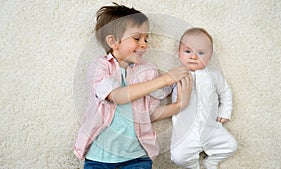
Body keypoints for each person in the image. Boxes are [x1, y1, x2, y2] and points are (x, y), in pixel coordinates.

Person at [73, 3, 192, 169]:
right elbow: (117, 96)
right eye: (137, 38)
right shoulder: (99, 66)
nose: (144, 44)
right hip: (99, 157)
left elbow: (150, 113)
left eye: (146, 39)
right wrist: (165, 79)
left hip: (137, 157)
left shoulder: (148, 70)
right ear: (113, 41)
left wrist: (180, 104)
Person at [170, 27, 238, 169]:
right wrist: (163, 83)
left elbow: (225, 92)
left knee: (231, 146)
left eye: (200, 53)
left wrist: (225, 111)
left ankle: (211, 162)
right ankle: (193, 165)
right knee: (178, 157)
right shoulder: (175, 75)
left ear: (209, 56)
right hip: (185, 132)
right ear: (179, 53)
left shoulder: (213, 76)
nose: (193, 56)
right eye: (188, 51)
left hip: (210, 128)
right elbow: (160, 92)